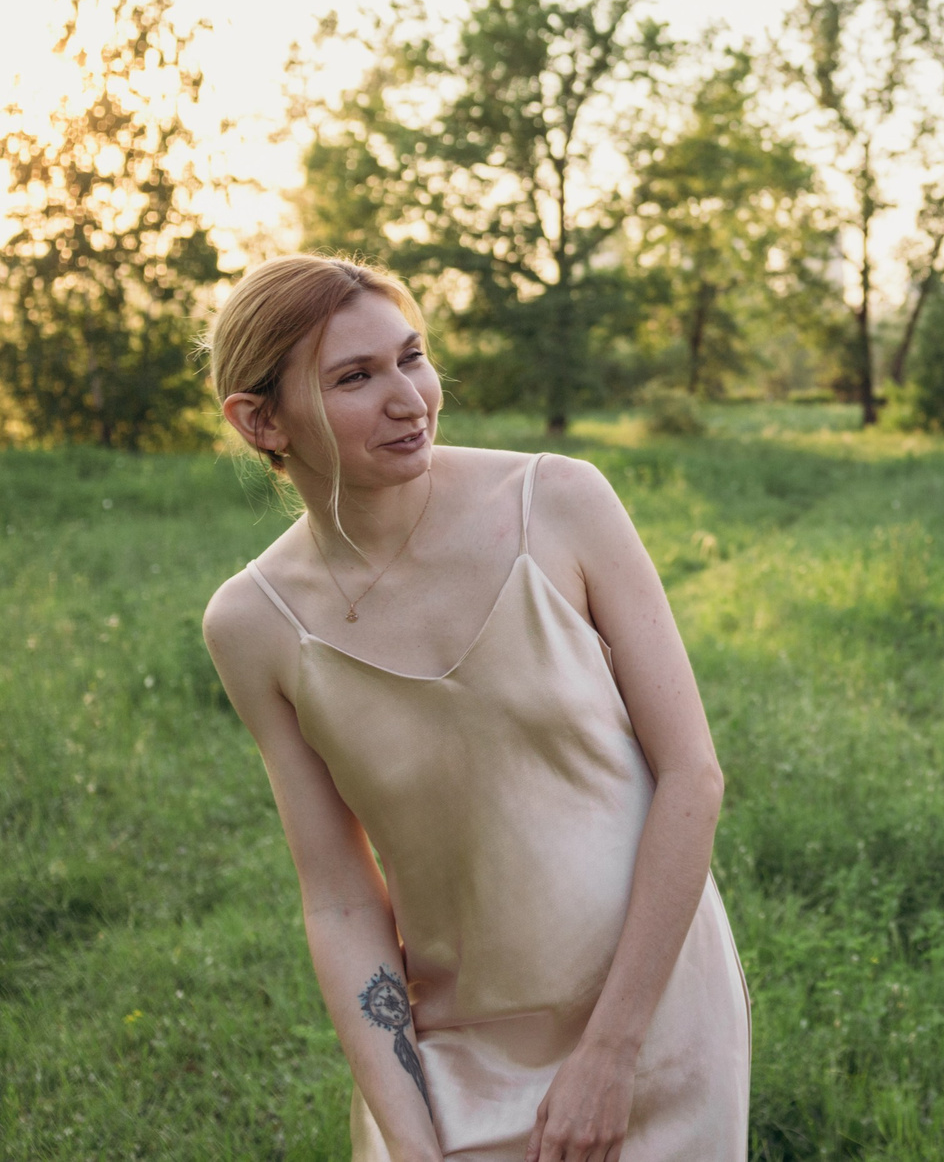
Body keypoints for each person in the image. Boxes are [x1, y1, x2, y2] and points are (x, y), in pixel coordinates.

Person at [198, 255, 748, 1162]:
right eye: (355, 377)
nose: (409, 397)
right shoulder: (254, 623)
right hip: (451, 1040)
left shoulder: (560, 501)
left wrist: (611, 1053)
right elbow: (339, 898)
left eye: (412, 357)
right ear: (261, 420)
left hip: (653, 1012)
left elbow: (693, 772)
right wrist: (409, 1139)